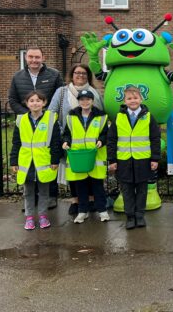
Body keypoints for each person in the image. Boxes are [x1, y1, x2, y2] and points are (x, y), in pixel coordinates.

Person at [8, 46, 63, 209]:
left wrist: (44, 114)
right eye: (30, 57)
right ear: (26, 58)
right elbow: (12, 99)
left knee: (47, 158)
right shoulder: (18, 76)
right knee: (29, 158)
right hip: (26, 124)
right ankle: (30, 201)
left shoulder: (54, 74)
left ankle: (51, 196)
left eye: (37, 57)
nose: (34, 60)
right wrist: (29, 114)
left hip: (47, 122)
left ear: (43, 58)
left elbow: (60, 96)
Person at [49, 64, 103, 216]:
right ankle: (75, 200)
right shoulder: (62, 92)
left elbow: (102, 114)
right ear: (71, 75)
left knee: (91, 169)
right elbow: (52, 113)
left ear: (88, 76)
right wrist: (62, 135)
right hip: (70, 142)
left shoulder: (95, 93)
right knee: (74, 171)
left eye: (84, 73)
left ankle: (91, 199)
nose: (80, 75)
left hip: (92, 142)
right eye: (77, 73)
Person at [107, 86, 160, 230]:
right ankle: (130, 216)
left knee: (142, 190)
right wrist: (112, 160)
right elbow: (111, 140)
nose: (133, 101)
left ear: (141, 99)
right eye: (129, 98)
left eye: (135, 98)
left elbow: (155, 138)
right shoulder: (119, 117)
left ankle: (140, 216)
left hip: (143, 160)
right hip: (124, 161)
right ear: (124, 100)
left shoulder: (148, 117)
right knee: (127, 191)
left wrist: (155, 159)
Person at [9, 91, 61, 230]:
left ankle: (43, 216)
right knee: (28, 192)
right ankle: (30, 217)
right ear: (27, 103)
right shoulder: (21, 120)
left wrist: (55, 160)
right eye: (31, 101)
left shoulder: (51, 119)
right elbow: (16, 142)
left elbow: (56, 141)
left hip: (44, 162)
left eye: (38, 100)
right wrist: (14, 161)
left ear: (44, 103)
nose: (35, 103)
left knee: (44, 191)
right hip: (27, 163)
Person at [62, 90, 110, 224]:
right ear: (78, 101)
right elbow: (67, 134)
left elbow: (105, 133)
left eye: (88, 99)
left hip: (95, 156)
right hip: (78, 157)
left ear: (92, 101)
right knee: (80, 186)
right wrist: (66, 142)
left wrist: (102, 140)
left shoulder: (101, 116)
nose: (85, 102)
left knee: (97, 186)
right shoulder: (71, 116)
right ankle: (82, 211)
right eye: (82, 99)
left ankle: (102, 210)